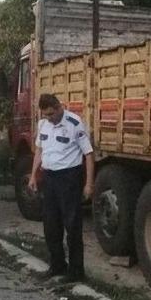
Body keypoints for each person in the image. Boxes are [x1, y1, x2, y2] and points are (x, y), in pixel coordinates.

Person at [27, 94, 95, 283]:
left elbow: (88, 154)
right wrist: (33, 175)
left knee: (72, 226)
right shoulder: (43, 125)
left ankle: (76, 272)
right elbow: (39, 150)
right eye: (46, 115)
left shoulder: (74, 123)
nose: (50, 118)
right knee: (51, 225)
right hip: (49, 178)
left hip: (69, 179)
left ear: (59, 107)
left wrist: (89, 184)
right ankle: (57, 266)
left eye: (51, 114)